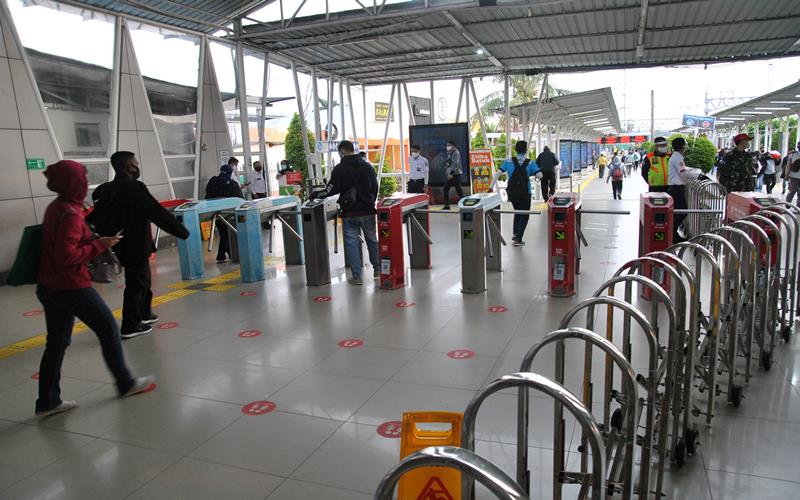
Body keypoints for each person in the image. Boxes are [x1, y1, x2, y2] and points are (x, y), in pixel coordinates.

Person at [36, 160, 155, 417]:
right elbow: (66, 256)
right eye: (81, 178)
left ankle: (47, 401)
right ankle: (125, 383)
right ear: (73, 182)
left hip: (48, 285)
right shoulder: (68, 212)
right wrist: (99, 245)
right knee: (109, 329)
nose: (84, 182)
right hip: (71, 286)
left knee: (56, 343)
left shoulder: (57, 207)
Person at [92, 152, 189, 339]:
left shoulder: (104, 189)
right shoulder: (134, 187)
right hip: (135, 243)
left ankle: (144, 313)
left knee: (142, 279)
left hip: (117, 243)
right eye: (136, 164)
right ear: (130, 167)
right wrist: (182, 232)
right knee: (136, 283)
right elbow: (156, 212)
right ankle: (130, 324)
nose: (137, 167)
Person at [314, 140, 380, 285]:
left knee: (352, 244)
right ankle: (378, 269)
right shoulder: (367, 167)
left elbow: (331, 190)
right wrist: (369, 202)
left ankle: (357, 277)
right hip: (368, 211)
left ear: (342, 152)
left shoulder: (340, 168)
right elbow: (375, 187)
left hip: (350, 213)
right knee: (372, 240)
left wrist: (315, 195)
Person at [491, 141, 542, 246]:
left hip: (512, 193)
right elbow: (540, 175)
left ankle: (515, 234)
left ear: (516, 149)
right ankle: (518, 238)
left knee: (518, 212)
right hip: (525, 193)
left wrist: (490, 187)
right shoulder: (530, 162)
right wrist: (532, 174)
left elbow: (498, 173)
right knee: (525, 215)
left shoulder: (508, 161)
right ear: (526, 150)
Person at [668, 137, 705, 242]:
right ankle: (673, 235)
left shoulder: (675, 157)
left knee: (679, 212)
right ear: (683, 147)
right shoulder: (678, 158)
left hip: (675, 188)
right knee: (682, 212)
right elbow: (683, 173)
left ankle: (673, 234)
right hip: (676, 188)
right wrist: (699, 177)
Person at [206, 164, 244, 263]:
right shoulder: (232, 183)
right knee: (226, 234)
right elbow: (239, 198)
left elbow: (207, 195)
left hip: (214, 212)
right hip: (228, 213)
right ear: (230, 172)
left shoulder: (212, 181)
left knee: (223, 233)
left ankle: (229, 254)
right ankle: (221, 255)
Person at [441, 140, 463, 209]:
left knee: (458, 190)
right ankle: (447, 205)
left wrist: (451, 174)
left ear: (453, 146)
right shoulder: (451, 153)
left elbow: (455, 164)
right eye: (447, 145)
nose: (448, 147)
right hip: (451, 174)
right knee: (445, 189)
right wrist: (444, 161)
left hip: (455, 174)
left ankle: (464, 204)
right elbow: (448, 161)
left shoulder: (456, 153)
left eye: (449, 145)